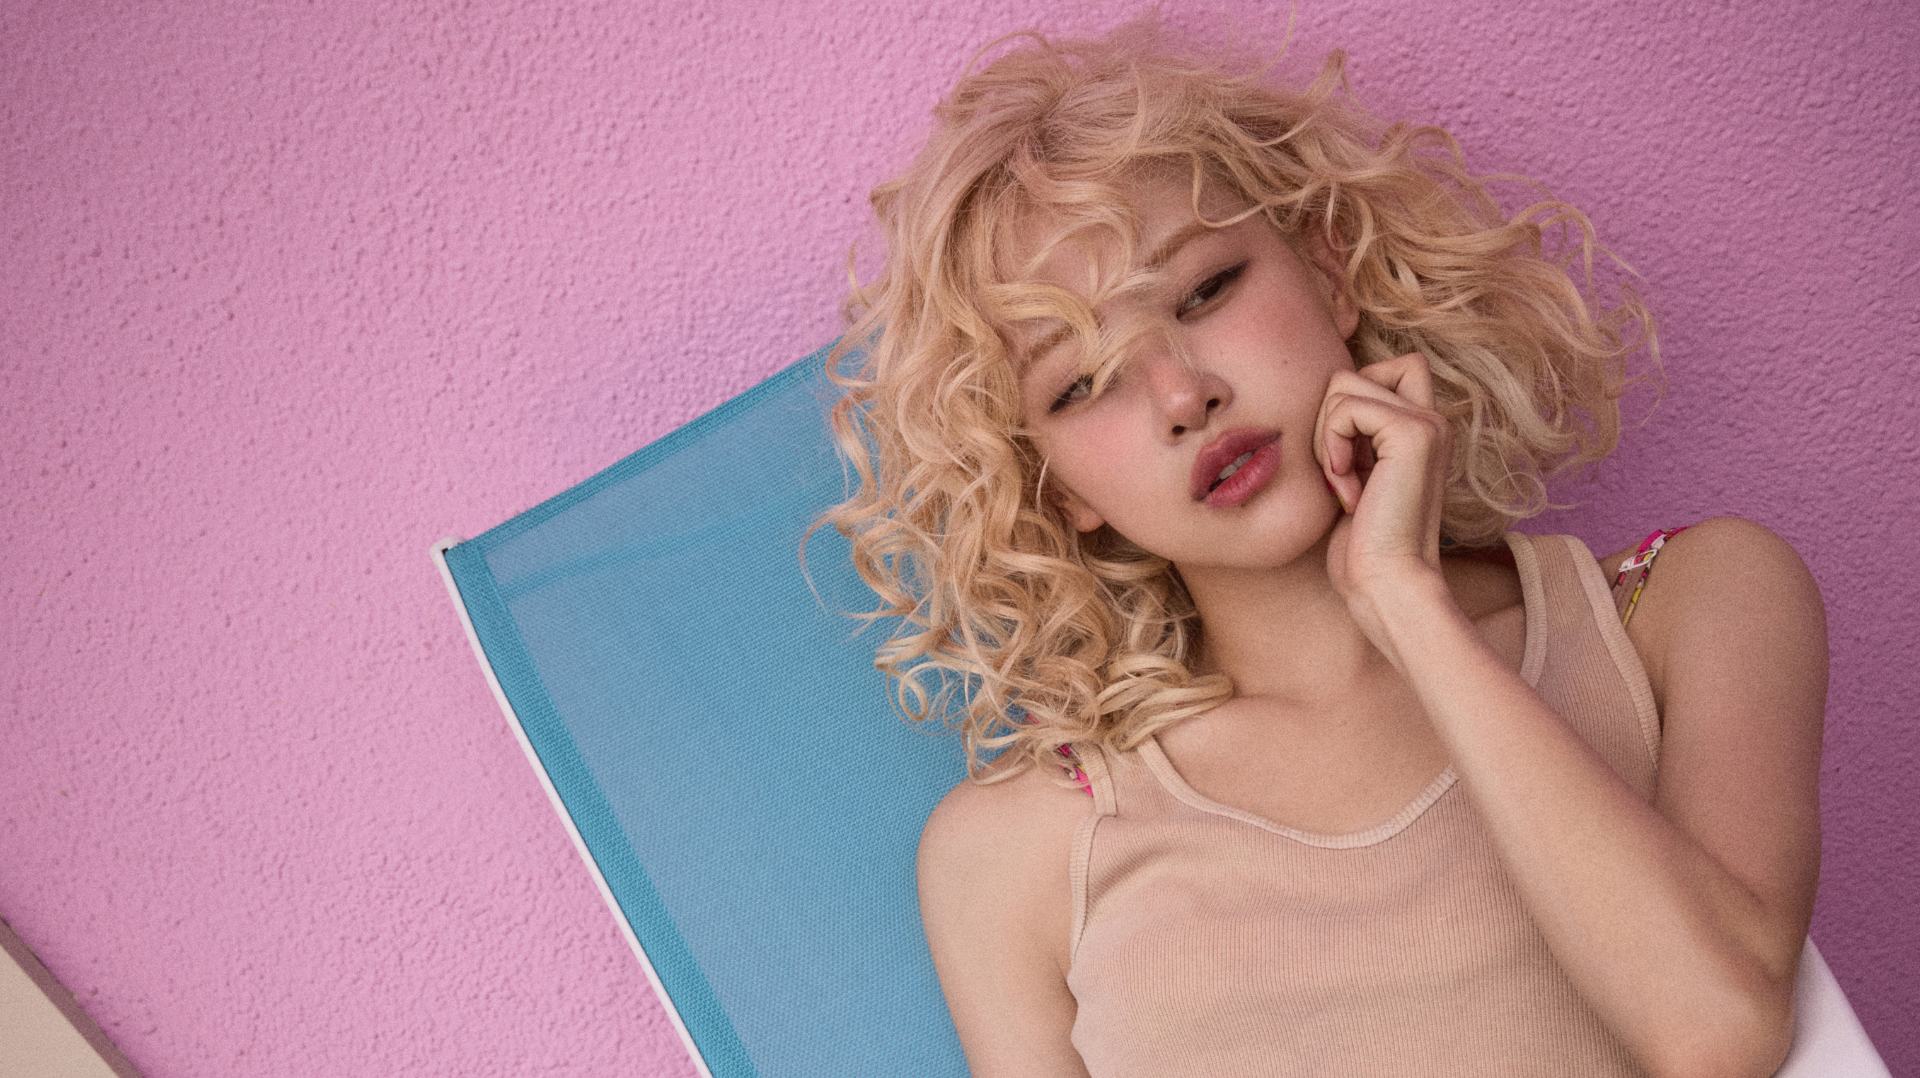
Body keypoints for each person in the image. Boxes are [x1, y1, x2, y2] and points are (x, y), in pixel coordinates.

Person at [821, 23, 1825, 1078]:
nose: (1182, 395)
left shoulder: (1690, 604)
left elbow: (1719, 1033)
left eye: (1204, 291)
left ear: (1328, 273)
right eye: (1082, 382)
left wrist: (1407, 602)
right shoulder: (1009, 856)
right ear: (1057, 485)